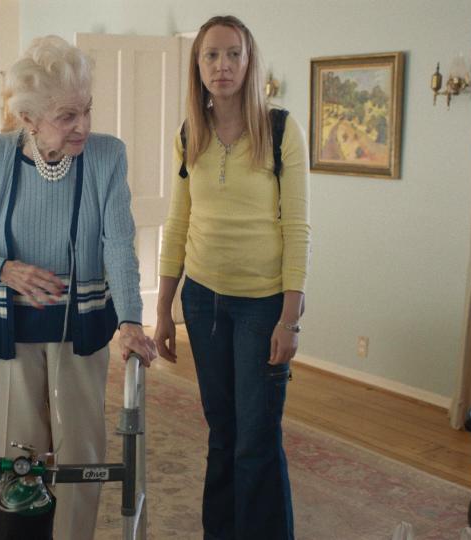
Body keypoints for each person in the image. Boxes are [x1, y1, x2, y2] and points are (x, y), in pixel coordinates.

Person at [0, 35, 157, 540]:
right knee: (13, 457)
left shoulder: (107, 158)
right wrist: (1, 269)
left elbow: (118, 244)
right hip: (9, 326)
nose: (84, 126)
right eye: (67, 116)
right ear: (28, 118)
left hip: (84, 323)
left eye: (87, 109)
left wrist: (131, 319)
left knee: (82, 455)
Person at [153, 15, 310, 540]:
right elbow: (178, 223)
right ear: (197, 66)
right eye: (211, 56)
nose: (222, 66)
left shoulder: (282, 129)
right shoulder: (187, 134)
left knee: (256, 439)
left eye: (233, 54)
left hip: (261, 305)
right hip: (201, 301)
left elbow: (297, 227)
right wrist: (163, 311)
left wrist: (289, 318)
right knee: (222, 434)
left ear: (250, 61)